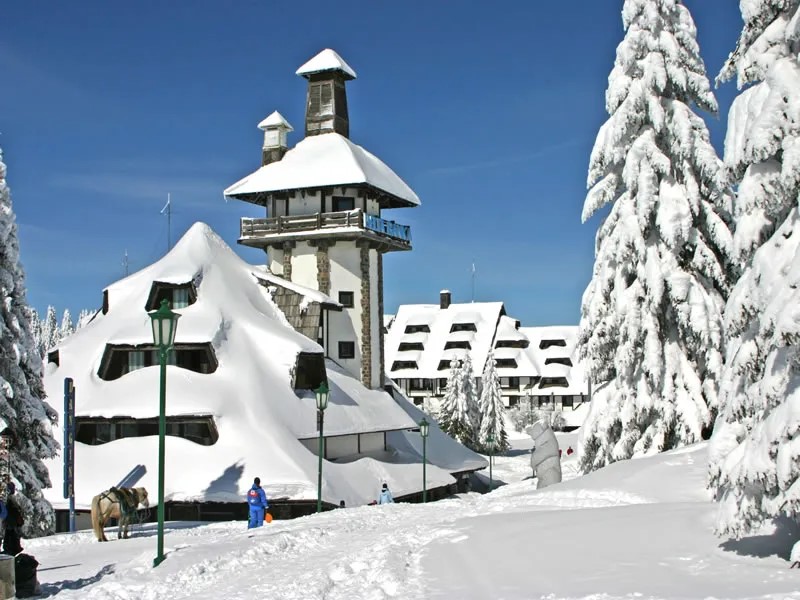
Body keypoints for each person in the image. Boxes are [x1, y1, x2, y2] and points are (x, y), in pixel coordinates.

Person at [2, 482, 23, 555]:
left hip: (12, 522)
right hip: (11, 521)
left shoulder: (12, 498)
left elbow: (16, 511)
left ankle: (11, 549)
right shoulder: (11, 498)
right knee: (10, 535)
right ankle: (9, 548)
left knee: (12, 535)